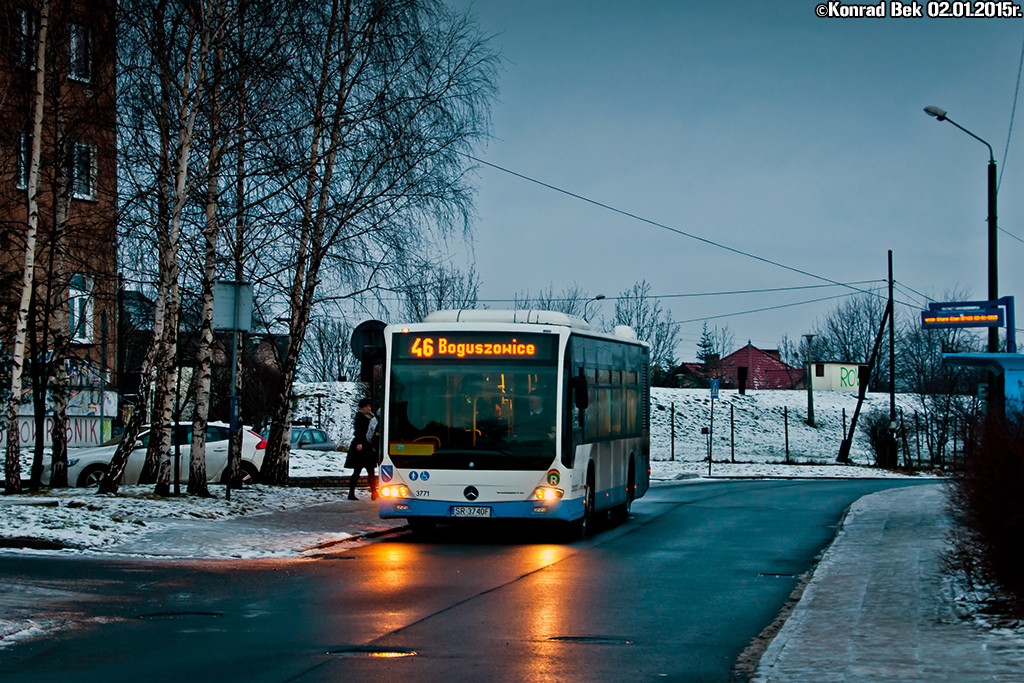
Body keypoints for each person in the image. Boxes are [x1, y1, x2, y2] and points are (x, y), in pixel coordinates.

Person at [346, 398, 378, 500]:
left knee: (370, 471)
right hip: (361, 447)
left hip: (367, 447)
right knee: (358, 471)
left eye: (369, 406)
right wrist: (359, 442)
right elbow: (358, 430)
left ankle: (374, 492)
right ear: (363, 407)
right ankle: (352, 493)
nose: (369, 408)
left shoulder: (371, 416)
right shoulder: (360, 416)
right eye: (367, 406)